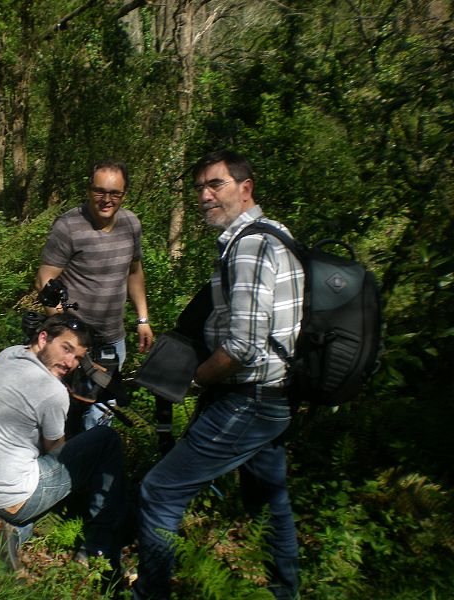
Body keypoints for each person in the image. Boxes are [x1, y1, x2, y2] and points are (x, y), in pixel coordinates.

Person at [134, 150, 304, 600]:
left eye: (217, 185)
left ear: (246, 187)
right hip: (275, 395)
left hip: (247, 399)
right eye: (200, 188)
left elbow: (243, 347)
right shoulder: (277, 235)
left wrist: (193, 383)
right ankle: (284, 591)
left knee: (160, 491)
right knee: (271, 499)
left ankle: (150, 593)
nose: (205, 196)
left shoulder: (249, 245)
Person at [0, 314, 126, 571]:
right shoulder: (52, 392)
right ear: (44, 338)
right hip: (11, 497)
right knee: (106, 439)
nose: (70, 363)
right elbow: (57, 453)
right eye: (65, 349)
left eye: (78, 357)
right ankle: (98, 547)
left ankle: (2, 529)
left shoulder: (9, 354)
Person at [35, 159, 154, 428]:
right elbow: (45, 278)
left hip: (113, 340)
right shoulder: (69, 226)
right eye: (99, 191)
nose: (106, 199)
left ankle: (90, 465)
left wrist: (142, 319)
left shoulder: (131, 224)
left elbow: (134, 273)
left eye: (115, 193)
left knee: (100, 413)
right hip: (73, 339)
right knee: (58, 410)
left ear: (124, 194)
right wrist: (61, 327)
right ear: (89, 189)